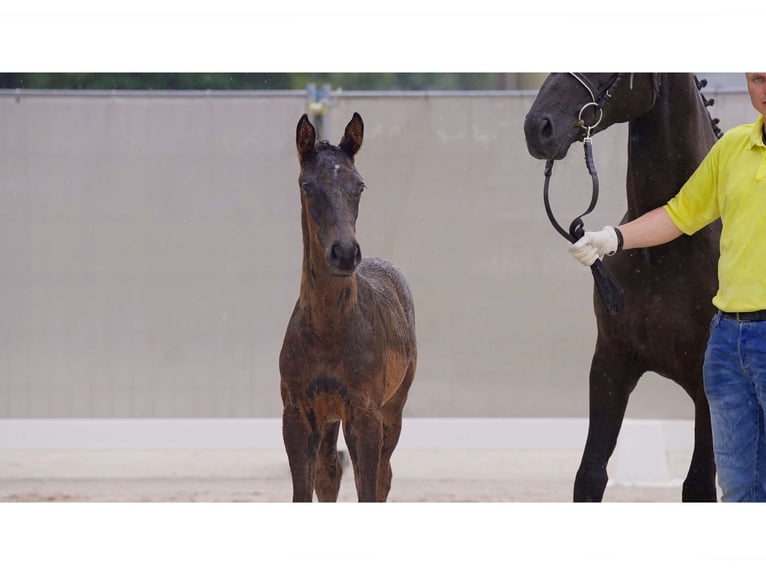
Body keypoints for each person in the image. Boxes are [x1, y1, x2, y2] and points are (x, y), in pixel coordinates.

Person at [568, 72, 766, 502]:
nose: (764, 92)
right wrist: (612, 239)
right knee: (739, 487)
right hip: (728, 343)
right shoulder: (731, 148)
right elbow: (680, 213)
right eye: (758, 79)